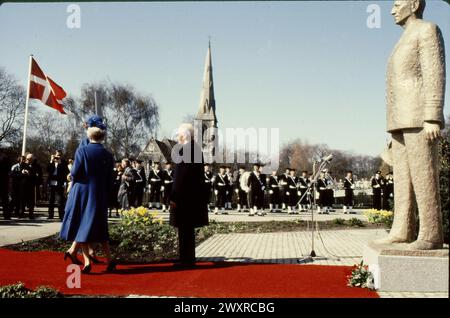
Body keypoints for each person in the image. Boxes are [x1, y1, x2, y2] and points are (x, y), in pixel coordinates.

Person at [59, 123, 116, 274]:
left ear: (89, 136)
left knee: (80, 225)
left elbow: (76, 172)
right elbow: (111, 178)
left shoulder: (82, 150)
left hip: (83, 192)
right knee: (100, 228)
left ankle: (87, 262)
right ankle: (109, 260)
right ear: (102, 137)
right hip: (100, 193)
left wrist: (69, 175)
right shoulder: (109, 155)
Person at [169, 123, 209, 267]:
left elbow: (180, 177)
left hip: (183, 198)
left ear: (184, 135)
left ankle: (186, 260)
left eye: (179, 134)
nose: (177, 137)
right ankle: (188, 258)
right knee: (187, 230)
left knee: (184, 230)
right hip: (192, 196)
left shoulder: (185, 150)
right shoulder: (196, 150)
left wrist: (174, 197)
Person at [47, 153, 69, 220]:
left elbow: (66, 172)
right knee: (51, 200)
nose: (56, 159)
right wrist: (51, 161)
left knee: (60, 201)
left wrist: (60, 163)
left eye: (58, 157)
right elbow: (48, 170)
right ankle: (51, 215)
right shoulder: (52, 164)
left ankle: (61, 215)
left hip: (59, 183)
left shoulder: (63, 164)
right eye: (55, 157)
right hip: (52, 183)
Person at [0, 153, 11, 219]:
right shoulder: (6, 159)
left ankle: (7, 214)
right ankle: (6, 215)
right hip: (4, 181)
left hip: (3, 181)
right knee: (5, 200)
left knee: (5, 199)